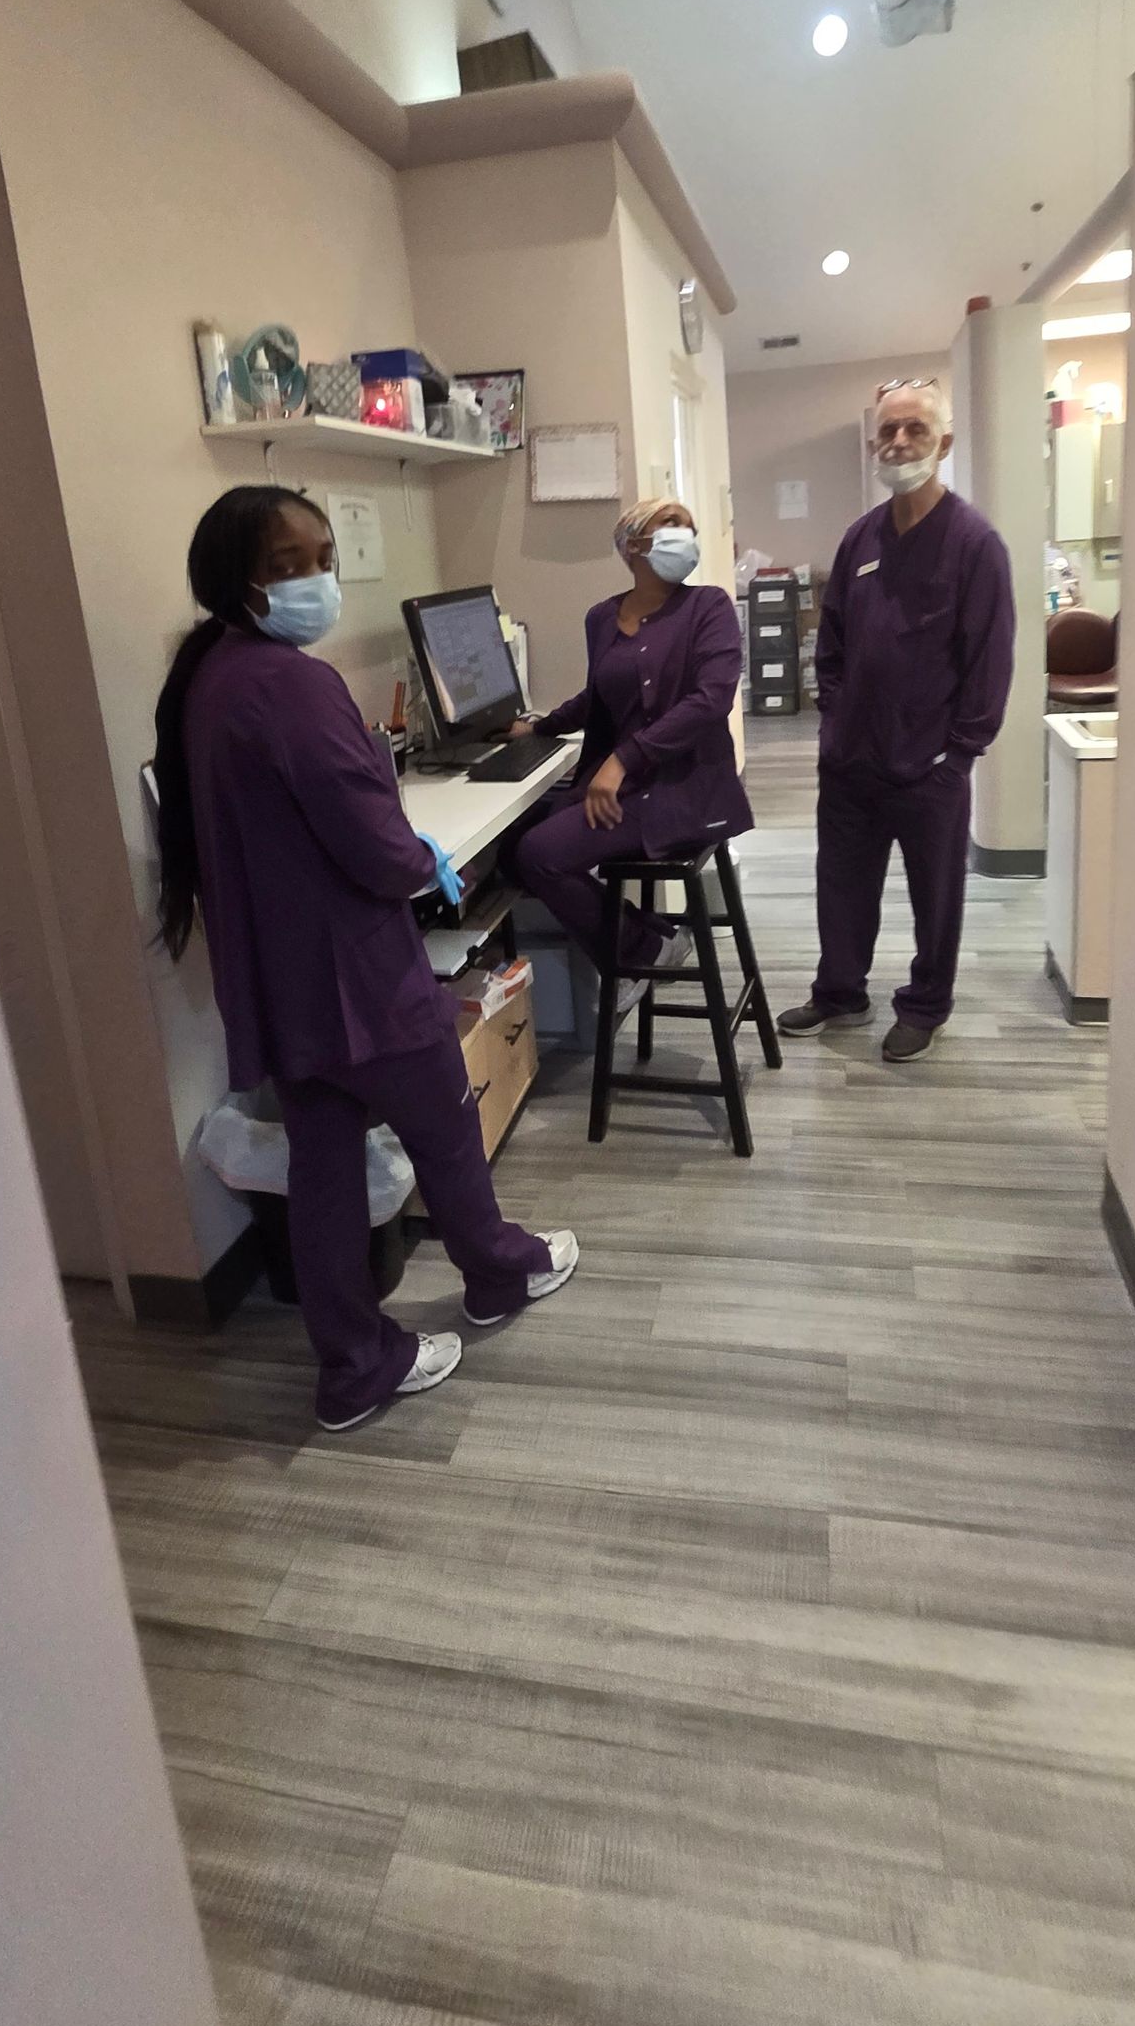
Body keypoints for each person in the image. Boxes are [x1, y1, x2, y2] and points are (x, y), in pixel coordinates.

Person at [152, 483, 576, 1431]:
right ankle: (498, 1274)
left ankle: (352, 1366)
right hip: (355, 977)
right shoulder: (291, 684)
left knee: (325, 1166)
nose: (315, 580)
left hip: (284, 982)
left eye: (323, 559)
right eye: (287, 565)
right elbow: (374, 845)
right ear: (236, 580)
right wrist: (419, 857)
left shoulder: (210, 676)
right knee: (444, 1125)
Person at [778, 377, 1014, 1064]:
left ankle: (925, 1006)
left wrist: (959, 752)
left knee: (934, 898)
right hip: (851, 760)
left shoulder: (974, 543)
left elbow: (990, 657)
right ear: (873, 444)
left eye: (915, 429)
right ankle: (840, 992)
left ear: (944, 442)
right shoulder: (861, 539)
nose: (900, 442)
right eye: (888, 431)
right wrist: (834, 720)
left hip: (930, 766)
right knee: (841, 886)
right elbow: (833, 642)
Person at [507, 499, 752, 1006]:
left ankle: (640, 952)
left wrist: (622, 761)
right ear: (632, 544)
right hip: (625, 784)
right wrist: (538, 728)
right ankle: (652, 937)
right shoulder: (602, 618)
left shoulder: (709, 607)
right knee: (511, 854)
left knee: (540, 855)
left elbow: (710, 701)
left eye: (688, 527)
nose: (685, 534)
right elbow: (598, 696)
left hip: (683, 787)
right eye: (670, 524)